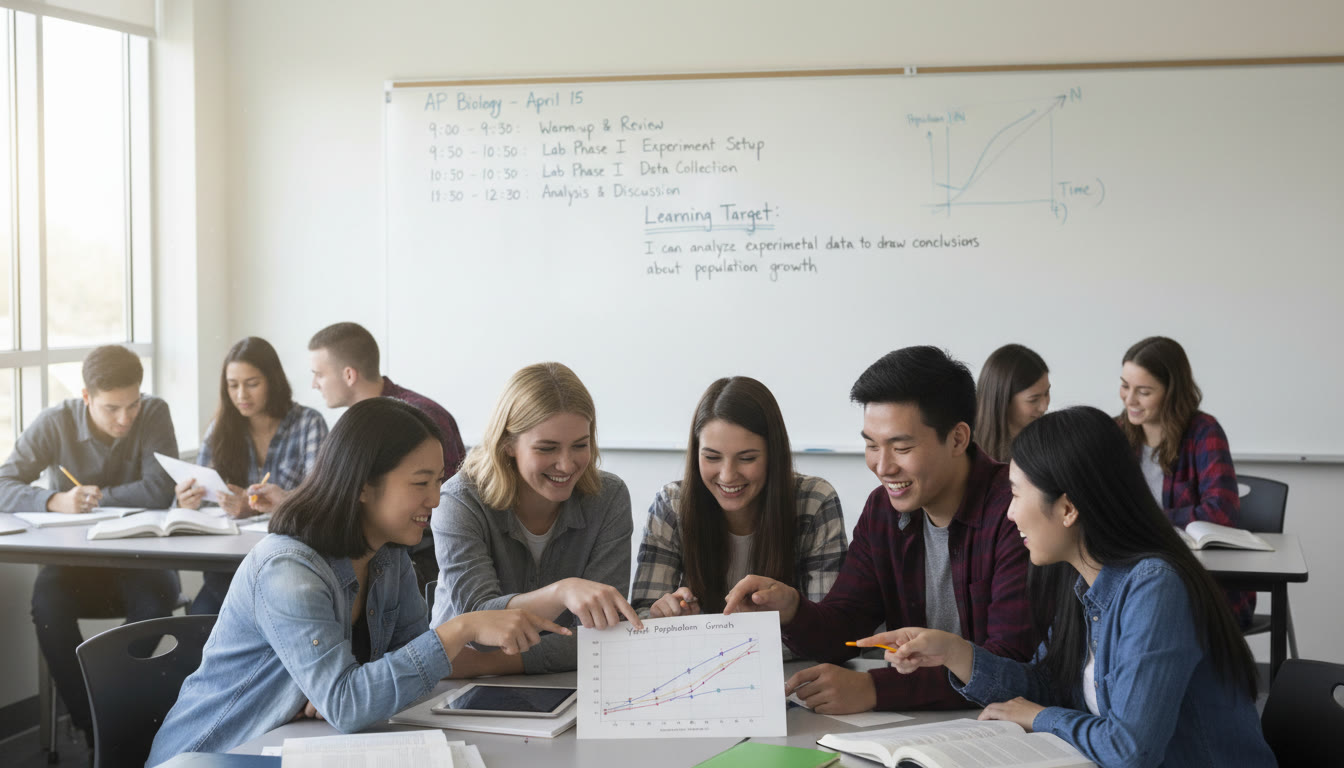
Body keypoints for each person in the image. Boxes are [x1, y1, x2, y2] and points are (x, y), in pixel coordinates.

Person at [147, 397, 567, 765]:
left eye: (438, 481)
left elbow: (399, 674)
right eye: (421, 483)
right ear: (364, 486)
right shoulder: (288, 569)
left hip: (295, 747)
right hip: (212, 755)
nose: (436, 499)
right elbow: (350, 703)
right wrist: (463, 627)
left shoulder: (388, 555)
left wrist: (342, 690)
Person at [859, 406, 1275, 767]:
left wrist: (1040, 717)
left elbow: (1130, 751)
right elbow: (1048, 684)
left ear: (1068, 507)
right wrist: (954, 652)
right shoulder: (1086, 582)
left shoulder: (1154, 588)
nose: (1009, 514)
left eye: (1016, 495)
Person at [722, 346, 1036, 714]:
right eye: (871, 445)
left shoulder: (1013, 512)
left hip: (1003, 730)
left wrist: (874, 689)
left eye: (900, 447)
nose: (882, 466)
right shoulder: (882, 511)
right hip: (915, 727)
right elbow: (845, 629)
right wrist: (792, 608)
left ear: (957, 439)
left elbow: (1010, 663)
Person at [0, 345, 181, 749]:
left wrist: (95, 497)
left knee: (153, 607)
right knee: (46, 607)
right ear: (86, 397)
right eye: (112, 408)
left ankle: (114, 711)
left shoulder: (153, 413)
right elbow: (2, 484)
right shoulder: (54, 422)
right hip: (73, 565)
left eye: (132, 404)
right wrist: (53, 501)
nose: (125, 418)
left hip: (141, 562)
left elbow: (158, 490)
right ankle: (94, 728)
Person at [431, 362, 641, 676]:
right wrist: (562, 592)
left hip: (537, 677)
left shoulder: (608, 498)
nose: (567, 465)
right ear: (507, 445)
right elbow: (479, 625)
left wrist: (488, 664)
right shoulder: (460, 499)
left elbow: (601, 635)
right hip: (458, 687)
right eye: (547, 448)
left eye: (580, 446)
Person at [630, 376, 847, 636]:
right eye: (711, 457)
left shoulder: (814, 502)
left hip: (791, 673)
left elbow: (830, 630)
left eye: (747, 458)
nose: (727, 475)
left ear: (773, 455)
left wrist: (789, 614)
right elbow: (642, 621)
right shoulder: (671, 504)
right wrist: (663, 617)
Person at [306, 321, 466, 588]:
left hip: (425, 556)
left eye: (319, 374)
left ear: (348, 375)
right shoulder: (354, 425)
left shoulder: (419, 421)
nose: (314, 384)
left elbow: (447, 509)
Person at [175, 337, 328, 614]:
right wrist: (187, 501)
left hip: (284, 561)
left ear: (273, 381)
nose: (241, 395)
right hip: (225, 565)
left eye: (252, 384)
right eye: (233, 386)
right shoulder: (220, 428)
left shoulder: (309, 424)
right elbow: (204, 498)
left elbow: (321, 500)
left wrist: (263, 506)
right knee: (200, 617)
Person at [1117, 335, 1252, 626]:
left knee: (1151, 618)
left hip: (1200, 580)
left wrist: (1147, 520)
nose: (1130, 400)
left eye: (1144, 391)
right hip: (1131, 571)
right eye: (1125, 386)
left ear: (1171, 392)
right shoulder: (1115, 432)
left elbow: (1221, 512)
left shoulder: (1204, 432)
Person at [973, 344, 1050, 463]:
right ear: (1002, 401)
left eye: (1047, 393)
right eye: (1033, 399)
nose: (1045, 407)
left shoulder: (1048, 445)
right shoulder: (966, 450)